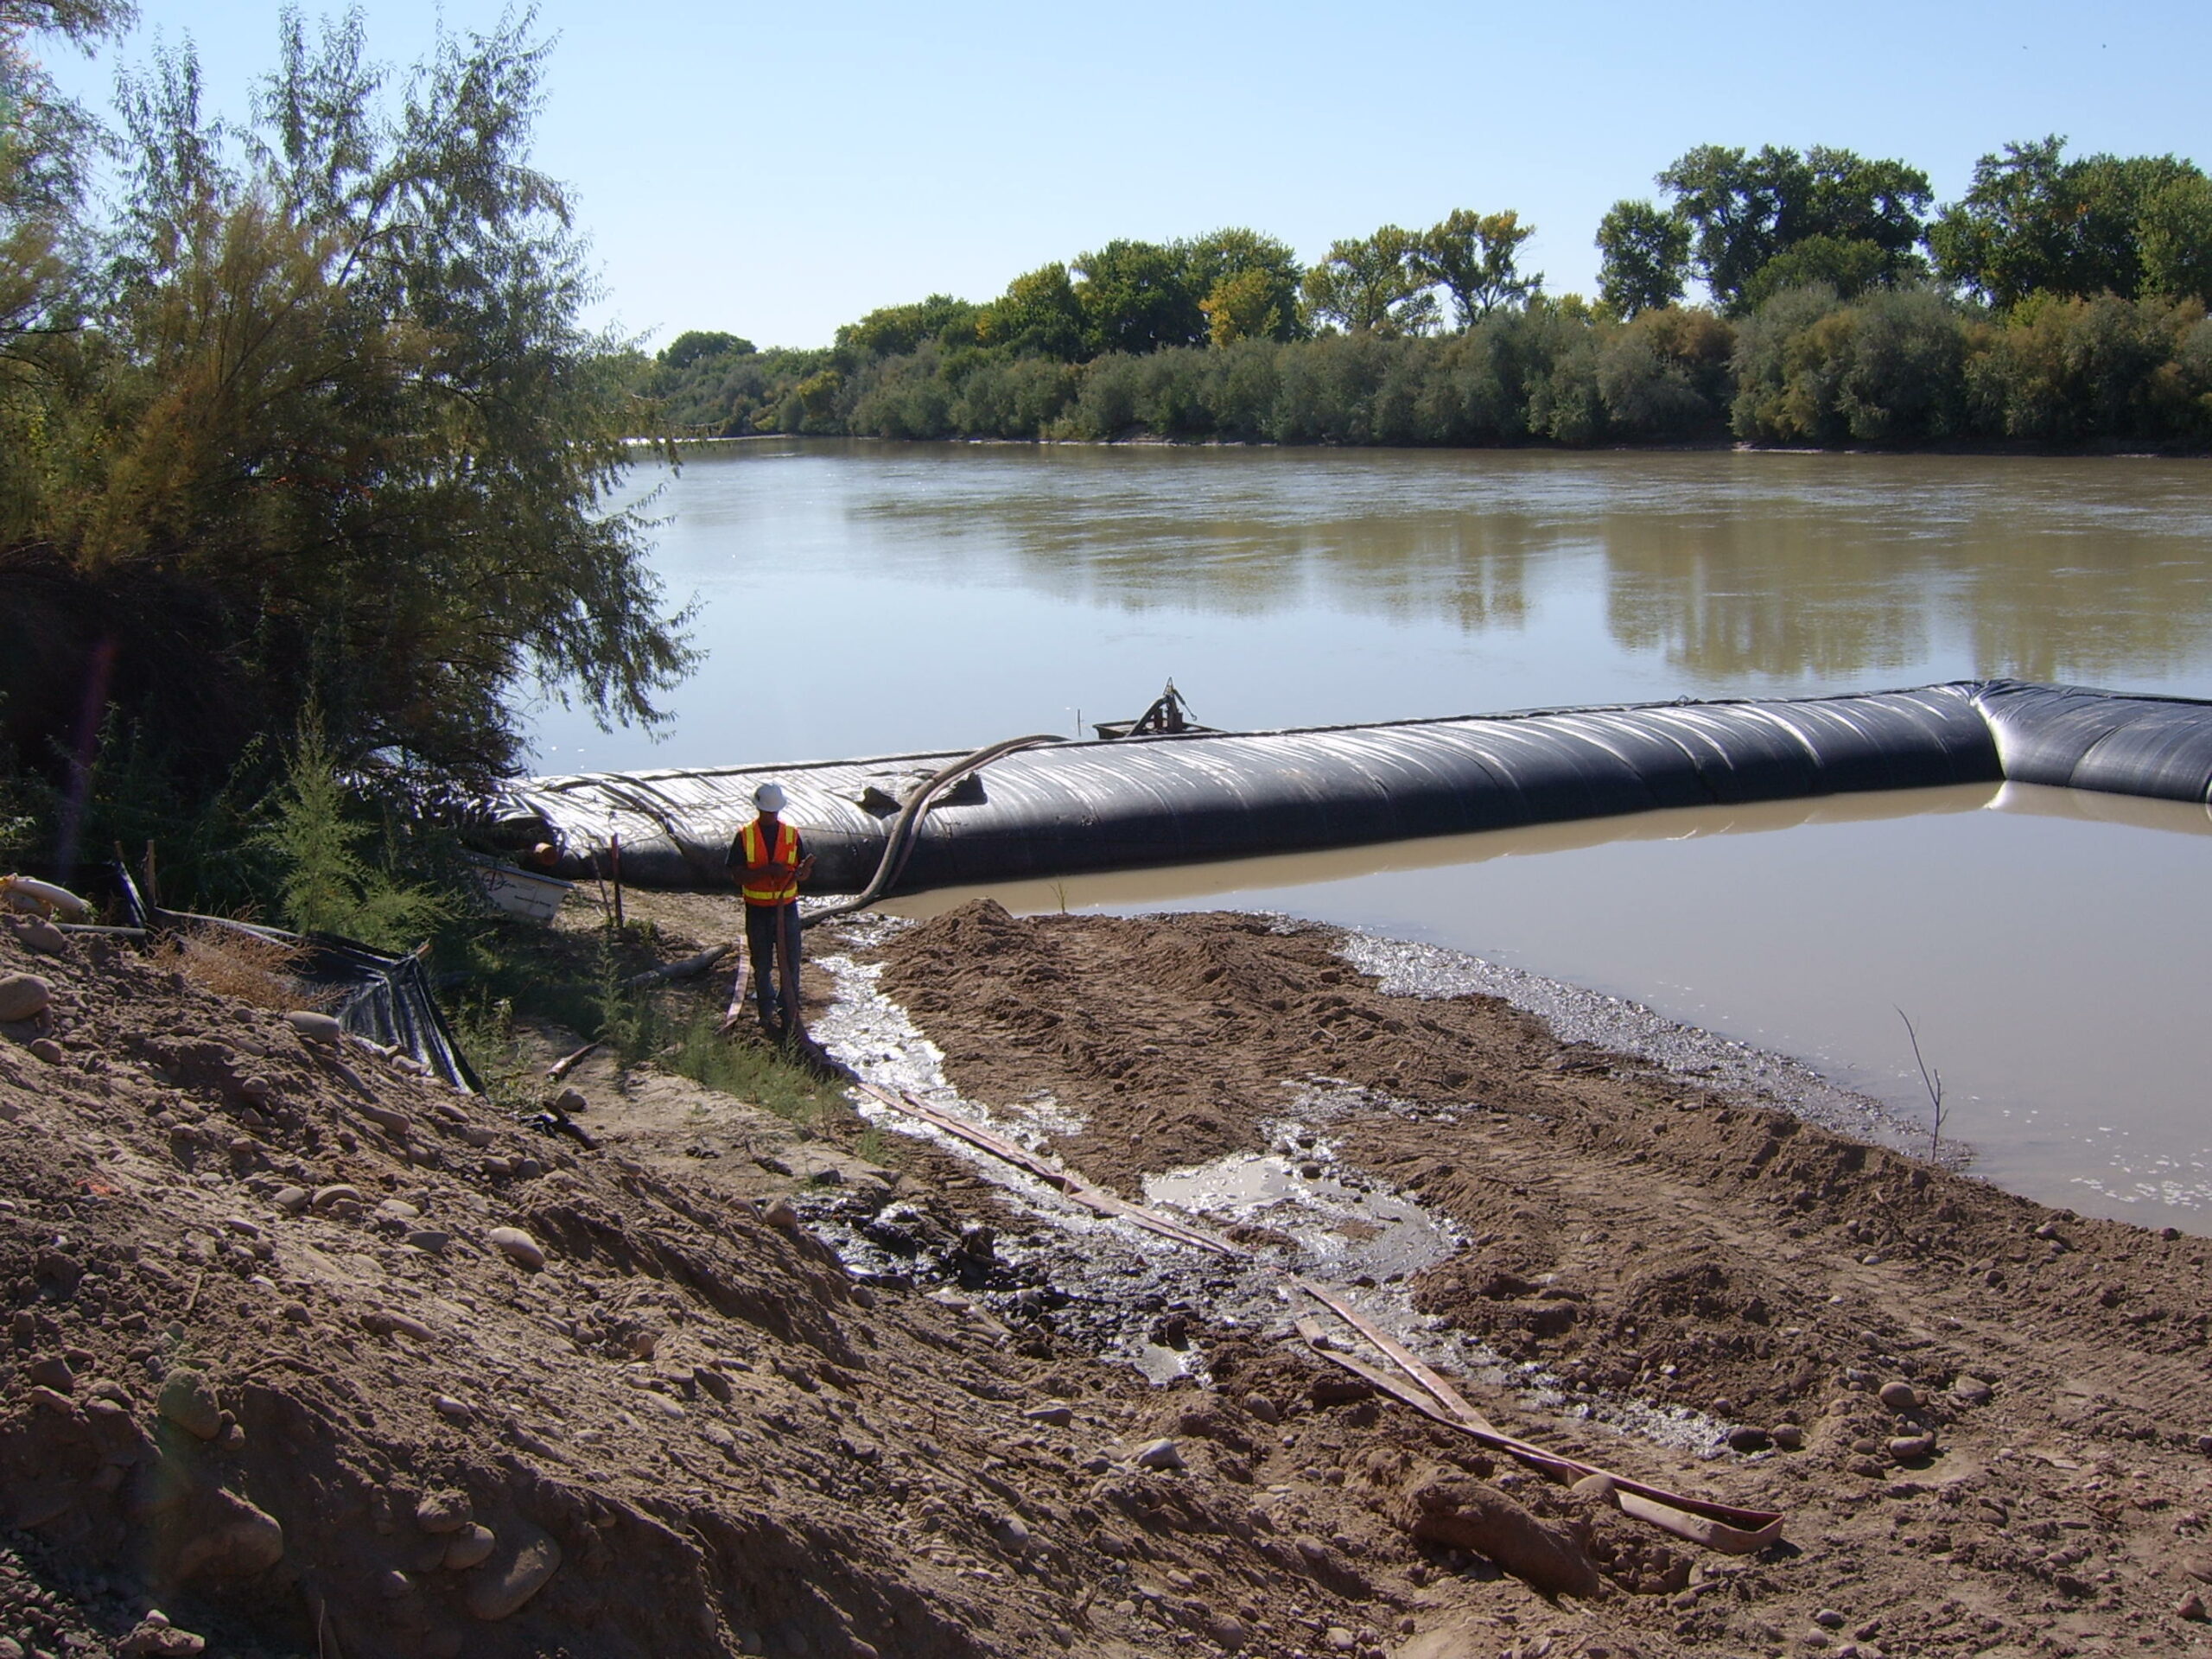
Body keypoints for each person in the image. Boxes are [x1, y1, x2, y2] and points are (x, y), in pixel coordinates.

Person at [728, 782, 814, 1039]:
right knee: (762, 962)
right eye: (768, 811)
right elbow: (737, 875)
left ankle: (789, 1010)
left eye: (774, 812)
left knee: (790, 962)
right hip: (757, 910)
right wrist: (766, 871)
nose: (771, 816)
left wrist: (803, 872)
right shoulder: (745, 836)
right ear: (758, 809)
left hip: (786, 909)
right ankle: (766, 1011)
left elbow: (803, 871)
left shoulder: (791, 834)